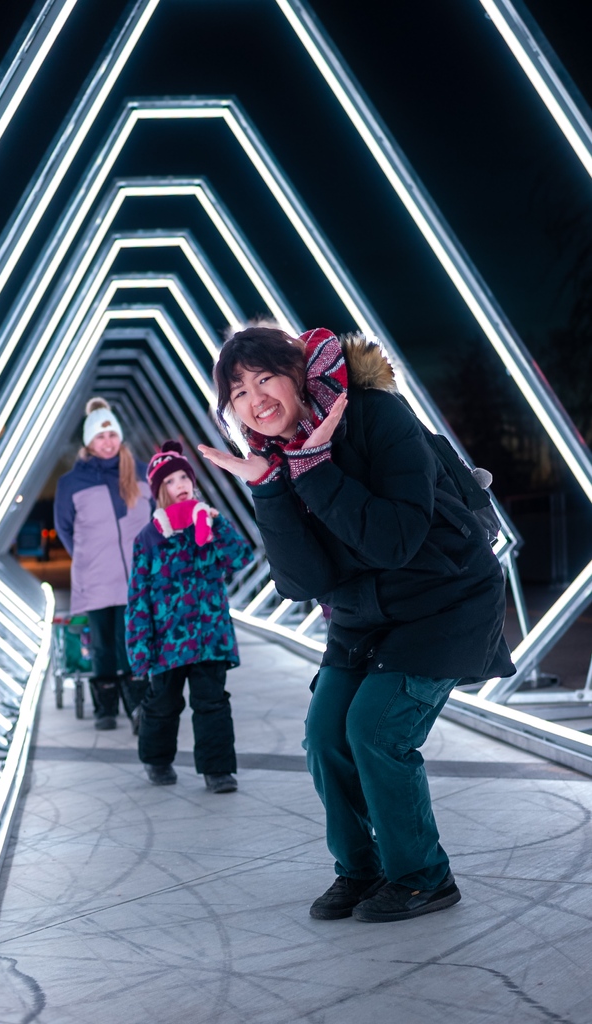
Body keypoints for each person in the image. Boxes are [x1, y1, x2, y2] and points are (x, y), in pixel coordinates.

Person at [200, 325, 514, 922]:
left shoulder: (375, 416)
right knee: (324, 735)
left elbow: (394, 541)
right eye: (237, 392)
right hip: (360, 616)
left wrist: (316, 470)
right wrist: (270, 489)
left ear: (296, 374)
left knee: (375, 729)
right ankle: (360, 869)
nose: (255, 399)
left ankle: (424, 876)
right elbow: (301, 584)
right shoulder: (274, 460)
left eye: (265, 378)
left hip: (444, 603)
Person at [125, 440, 252, 792]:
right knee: (164, 704)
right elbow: (138, 596)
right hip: (167, 641)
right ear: (159, 490)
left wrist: (217, 524)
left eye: (184, 477)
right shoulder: (149, 538)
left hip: (210, 636)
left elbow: (240, 559)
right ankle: (156, 759)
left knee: (211, 703)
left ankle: (218, 771)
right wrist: (140, 648)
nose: (180, 484)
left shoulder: (207, 525)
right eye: (170, 481)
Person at [55, 398, 152, 730]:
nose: (107, 442)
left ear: (120, 437)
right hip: (95, 576)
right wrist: (87, 557)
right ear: (89, 442)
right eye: (100, 437)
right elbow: (65, 529)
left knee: (132, 642)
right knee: (101, 644)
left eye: (111, 435)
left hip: (136, 578)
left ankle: (138, 706)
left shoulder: (141, 473)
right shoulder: (71, 483)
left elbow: (156, 521)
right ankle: (105, 709)